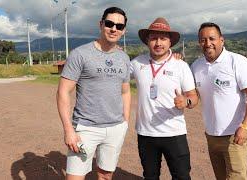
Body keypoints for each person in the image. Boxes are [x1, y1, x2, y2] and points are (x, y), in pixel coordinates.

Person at [56, 7, 130, 180]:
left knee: (105, 175)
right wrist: (68, 130)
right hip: (85, 129)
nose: (114, 29)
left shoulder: (124, 58)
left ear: (124, 30)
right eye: (110, 23)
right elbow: (63, 92)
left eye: (119, 26)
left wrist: (125, 122)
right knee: (75, 177)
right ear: (101, 24)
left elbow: (125, 91)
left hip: (115, 128)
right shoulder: (80, 54)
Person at [130, 17, 198, 180]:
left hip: (174, 133)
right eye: (153, 38)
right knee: (150, 176)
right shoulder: (137, 63)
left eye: (163, 38)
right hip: (146, 134)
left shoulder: (180, 65)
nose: (158, 43)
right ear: (147, 40)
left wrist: (186, 102)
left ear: (170, 42)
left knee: (182, 176)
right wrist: (114, 51)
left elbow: (193, 97)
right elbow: (116, 75)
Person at [191, 22, 247, 180]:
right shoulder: (196, 66)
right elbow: (193, 94)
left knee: (236, 177)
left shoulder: (237, 61)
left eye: (212, 38)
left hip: (235, 135)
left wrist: (245, 126)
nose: (208, 43)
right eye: (203, 40)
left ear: (222, 40)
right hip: (211, 135)